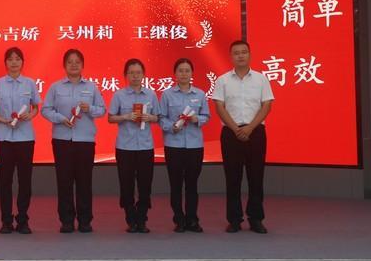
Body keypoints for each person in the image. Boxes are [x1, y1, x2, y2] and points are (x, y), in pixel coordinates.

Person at [211, 40, 274, 234]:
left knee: (256, 177)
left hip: (256, 132)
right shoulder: (223, 80)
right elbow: (219, 106)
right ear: (231, 57)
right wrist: (236, 129)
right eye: (236, 53)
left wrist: (250, 128)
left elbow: (267, 105)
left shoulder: (261, 79)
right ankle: (234, 219)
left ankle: (256, 219)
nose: (240, 55)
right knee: (232, 178)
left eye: (244, 52)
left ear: (250, 55)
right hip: (231, 133)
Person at [41, 49, 106, 233]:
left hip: (85, 140)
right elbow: (45, 110)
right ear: (64, 65)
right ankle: (67, 220)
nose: (74, 65)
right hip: (62, 140)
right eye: (70, 62)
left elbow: (102, 110)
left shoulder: (91, 87)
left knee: (84, 181)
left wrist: (89, 108)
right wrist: (60, 118)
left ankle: (85, 220)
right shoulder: (56, 87)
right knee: (64, 181)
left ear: (82, 65)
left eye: (77, 61)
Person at [0, 47, 40, 234]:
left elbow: (36, 108)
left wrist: (30, 115)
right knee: (5, 181)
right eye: (10, 59)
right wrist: (3, 120)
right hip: (4, 138)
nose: (14, 62)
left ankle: (23, 220)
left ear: (22, 62)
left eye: (17, 59)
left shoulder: (30, 83)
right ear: (5, 63)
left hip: (25, 138)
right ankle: (6, 221)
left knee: (25, 180)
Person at [108, 58, 160, 233]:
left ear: (143, 75)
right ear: (126, 75)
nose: (135, 76)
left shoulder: (151, 95)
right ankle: (130, 219)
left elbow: (158, 117)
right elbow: (110, 118)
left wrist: (150, 117)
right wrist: (125, 117)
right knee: (126, 184)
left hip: (145, 146)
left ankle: (142, 219)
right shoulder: (119, 95)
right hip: (125, 147)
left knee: (145, 184)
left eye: (138, 73)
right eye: (131, 73)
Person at [158, 58, 210, 233]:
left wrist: (197, 119)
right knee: (175, 184)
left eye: (187, 70)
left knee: (192, 184)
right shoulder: (167, 94)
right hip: (173, 145)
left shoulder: (200, 94)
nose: (184, 74)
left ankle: (192, 219)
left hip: (195, 146)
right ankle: (179, 219)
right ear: (175, 73)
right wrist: (171, 127)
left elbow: (206, 116)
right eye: (180, 70)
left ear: (192, 73)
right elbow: (161, 117)